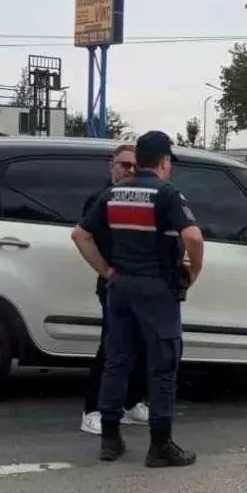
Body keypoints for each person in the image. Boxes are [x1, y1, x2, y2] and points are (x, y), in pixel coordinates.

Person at [72, 130, 204, 468]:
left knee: (117, 362)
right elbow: (193, 237)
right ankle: (160, 446)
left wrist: (106, 272)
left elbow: (80, 235)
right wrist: (194, 272)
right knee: (162, 367)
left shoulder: (113, 193)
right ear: (163, 161)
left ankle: (110, 440)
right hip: (157, 291)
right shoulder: (167, 193)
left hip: (120, 289)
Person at [78, 144, 149, 435]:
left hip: (140, 285)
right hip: (114, 286)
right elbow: (83, 238)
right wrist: (106, 272)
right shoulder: (100, 199)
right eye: (124, 165)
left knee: (142, 345)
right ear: (112, 166)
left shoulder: (140, 199)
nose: (129, 170)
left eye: (134, 166)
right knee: (111, 347)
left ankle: (131, 405)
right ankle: (91, 410)